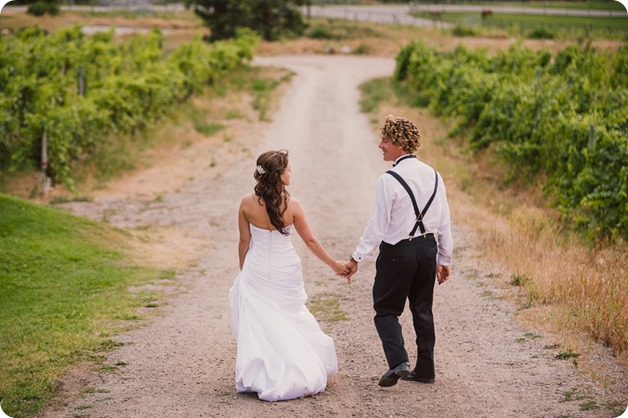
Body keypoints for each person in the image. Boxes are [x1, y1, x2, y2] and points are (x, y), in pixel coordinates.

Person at [229, 149, 350, 402]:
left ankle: (263, 371)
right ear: (279, 175)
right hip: (285, 267)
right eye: (289, 169)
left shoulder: (246, 203)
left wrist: (245, 270)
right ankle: (299, 364)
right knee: (290, 315)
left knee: (262, 320)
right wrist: (334, 264)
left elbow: (243, 241)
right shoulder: (292, 205)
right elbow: (311, 241)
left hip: (257, 266)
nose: (291, 172)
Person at [345, 115, 453, 388]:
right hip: (427, 249)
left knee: (385, 309)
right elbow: (443, 220)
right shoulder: (434, 174)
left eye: (385, 140)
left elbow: (377, 226)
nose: (380, 145)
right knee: (422, 310)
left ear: (399, 144)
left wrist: (356, 257)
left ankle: (399, 362)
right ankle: (426, 370)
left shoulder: (388, 180)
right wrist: (444, 258)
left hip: (398, 252)